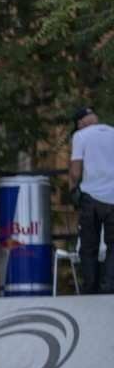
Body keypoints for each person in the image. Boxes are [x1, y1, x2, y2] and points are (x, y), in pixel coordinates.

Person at [69, 106, 114, 294]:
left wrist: (73, 189)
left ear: (80, 123)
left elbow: (75, 171)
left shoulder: (80, 136)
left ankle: (90, 290)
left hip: (91, 198)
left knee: (88, 246)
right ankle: (109, 288)